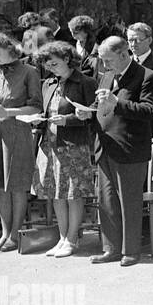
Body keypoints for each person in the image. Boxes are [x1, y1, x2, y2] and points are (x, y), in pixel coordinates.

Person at [89, 35, 153, 266]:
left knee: (129, 202)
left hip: (129, 149)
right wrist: (86, 112)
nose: (104, 65)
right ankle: (111, 249)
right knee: (106, 200)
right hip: (105, 146)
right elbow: (99, 105)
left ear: (123, 53)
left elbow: (149, 110)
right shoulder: (107, 75)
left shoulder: (146, 76)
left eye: (108, 59)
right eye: (102, 60)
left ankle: (131, 251)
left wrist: (116, 103)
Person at [29, 41, 98, 256]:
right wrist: (37, 119)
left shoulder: (85, 82)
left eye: (54, 64)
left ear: (67, 59)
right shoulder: (48, 83)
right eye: (47, 65)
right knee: (56, 193)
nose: (51, 68)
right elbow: (45, 111)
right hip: (49, 145)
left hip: (74, 146)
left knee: (73, 194)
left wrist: (67, 120)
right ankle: (62, 238)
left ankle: (72, 240)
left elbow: (93, 114)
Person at [0, 33, 42, 251]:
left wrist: (8, 111)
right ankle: (5, 233)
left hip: (17, 133)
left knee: (16, 185)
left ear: (9, 48)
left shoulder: (29, 72)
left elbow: (36, 106)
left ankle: (16, 234)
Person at [126, 23, 153, 138]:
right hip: (125, 124)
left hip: (148, 127)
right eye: (130, 40)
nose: (133, 44)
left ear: (149, 40)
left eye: (137, 40)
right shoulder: (125, 64)